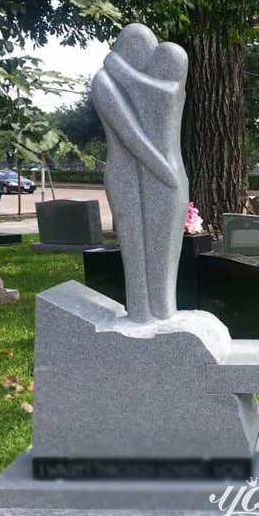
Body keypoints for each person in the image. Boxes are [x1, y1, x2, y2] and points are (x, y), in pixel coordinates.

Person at [91, 24, 188, 323]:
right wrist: (164, 171)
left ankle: (162, 314)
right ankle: (142, 316)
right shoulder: (104, 82)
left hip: (169, 178)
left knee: (164, 258)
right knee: (136, 257)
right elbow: (129, 134)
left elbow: (159, 96)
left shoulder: (168, 90)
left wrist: (166, 175)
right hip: (130, 177)